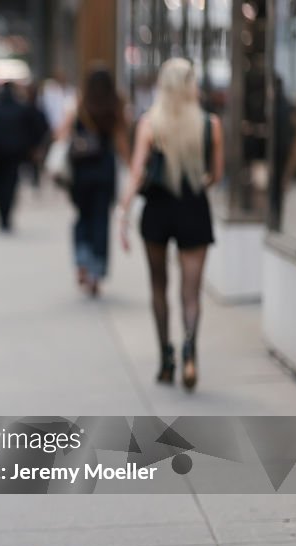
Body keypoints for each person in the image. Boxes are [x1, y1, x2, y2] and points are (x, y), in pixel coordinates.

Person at [118, 58, 224, 390]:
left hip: (158, 210)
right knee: (191, 293)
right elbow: (216, 176)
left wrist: (123, 214)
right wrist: (195, 185)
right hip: (193, 206)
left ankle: (166, 358)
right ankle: (190, 351)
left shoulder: (149, 123)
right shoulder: (211, 124)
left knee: (158, 286)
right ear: (192, 85)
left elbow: (137, 173)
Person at [59, 67, 129, 296]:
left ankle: (82, 262)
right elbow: (120, 141)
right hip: (105, 171)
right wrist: (130, 164)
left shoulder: (79, 104)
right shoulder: (115, 107)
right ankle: (96, 274)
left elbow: (62, 133)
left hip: (81, 171)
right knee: (101, 219)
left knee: (82, 217)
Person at [0, 81, 32, 231]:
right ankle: (7, 215)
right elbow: (32, 129)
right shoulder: (21, 110)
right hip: (15, 153)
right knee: (11, 184)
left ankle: (2, 215)